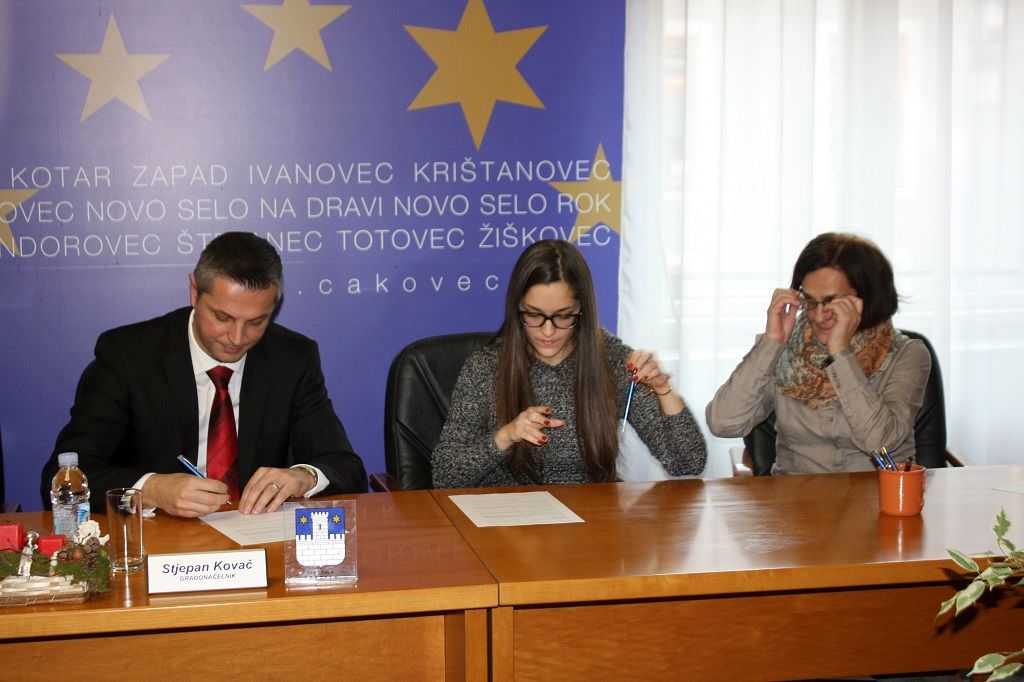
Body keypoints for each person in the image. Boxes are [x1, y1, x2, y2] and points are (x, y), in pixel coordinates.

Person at [41, 232, 367, 516]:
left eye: (256, 322)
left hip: (256, 541)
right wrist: (151, 490)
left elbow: (346, 468)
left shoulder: (292, 359)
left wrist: (303, 477)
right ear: (194, 293)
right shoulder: (128, 355)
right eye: (222, 317)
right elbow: (63, 477)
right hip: (159, 542)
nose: (237, 338)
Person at [432, 239, 707, 487]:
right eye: (534, 315)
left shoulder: (613, 361)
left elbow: (688, 463)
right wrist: (507, 435)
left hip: (591, 519)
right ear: (517, 309)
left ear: (582, 310)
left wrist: (663, 390)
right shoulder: (485, 367)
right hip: (506, 519)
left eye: (563, 316)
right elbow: (445, 475)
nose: (548, 331)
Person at [706, 232, 931, 474]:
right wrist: (771, 343)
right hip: (796, 492)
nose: (819, 315)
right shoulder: (787, 349)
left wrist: (840, 354)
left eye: (833, 301)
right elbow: (723, 424)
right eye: (810, 301)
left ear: (868, 297)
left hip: (877, 493)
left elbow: (881, 443)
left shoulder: (908, 354)